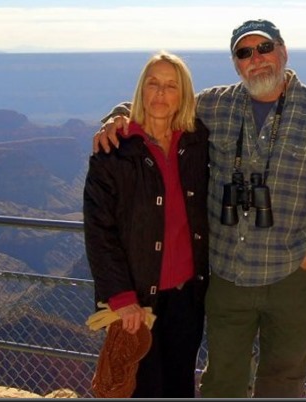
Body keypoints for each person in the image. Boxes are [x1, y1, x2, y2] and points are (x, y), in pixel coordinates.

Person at [92, 19, 306, 398]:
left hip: (292, 273)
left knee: (284, 376)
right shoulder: (215, 104)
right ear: (236, 63)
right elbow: (162, 103)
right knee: (223, 376)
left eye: (264, 48)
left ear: (283, 52)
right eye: (244, 52)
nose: (256, 59)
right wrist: (117, 116)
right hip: (227, 274)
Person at [83, 51, 210, 398]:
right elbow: (99, 231)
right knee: (143, 388)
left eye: (171, 86)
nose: (161, 94)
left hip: (187, 296)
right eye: (153, 84)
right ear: (141, 89)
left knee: (180, 386)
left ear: (183, 95)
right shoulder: (114, 150)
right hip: (137, 301)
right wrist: (121, 298)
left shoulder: (197, 141)